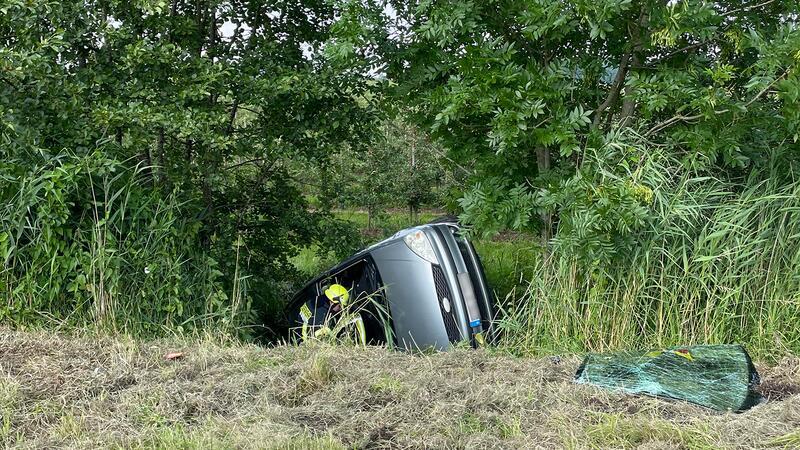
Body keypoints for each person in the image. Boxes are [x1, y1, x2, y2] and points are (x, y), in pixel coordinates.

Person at [298, 283, 366, 345]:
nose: (341, 309)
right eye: (340, 306)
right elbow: (317, 340)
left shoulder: (317, 300)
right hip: (306, 343)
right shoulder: (321, 317)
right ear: (332, 302)